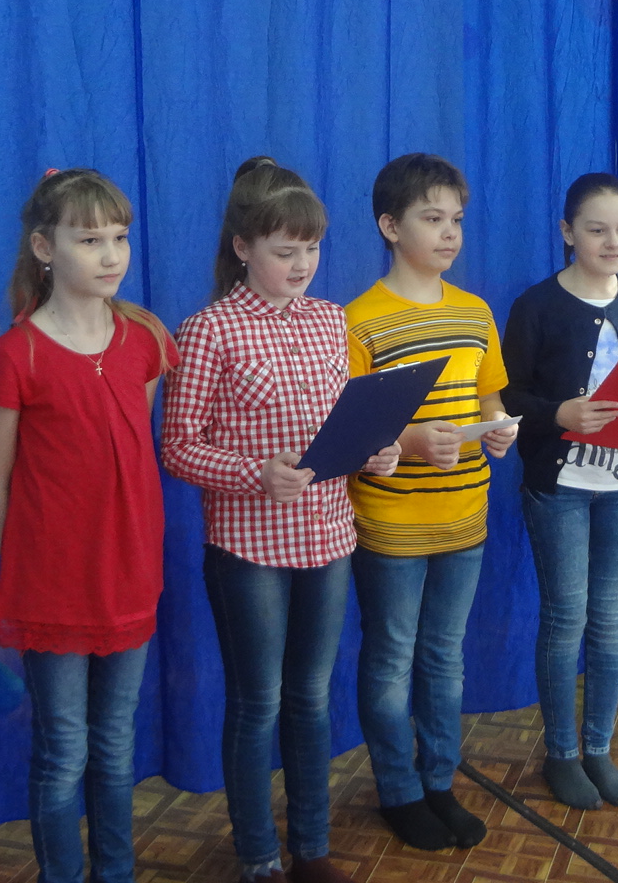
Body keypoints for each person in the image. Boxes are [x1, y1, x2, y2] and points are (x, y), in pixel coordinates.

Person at [161, 158, 402, 883]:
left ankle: (311, 848)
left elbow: (344, 423)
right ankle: (259, 856)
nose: (302, 265)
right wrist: (253, 473)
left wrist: (377, 450)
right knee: (257, 702)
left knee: (310, 697)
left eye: (312, 248)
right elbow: (177, 448)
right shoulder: (208, 330)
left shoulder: (331, 321)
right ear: (242, 247)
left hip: (328, 537)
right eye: (284, 250)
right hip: (249, 548)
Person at [0, 168, 178, 883]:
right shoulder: (16, 354)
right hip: (52, 587)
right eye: (89, 239)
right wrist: (31, 571)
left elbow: (129, 455)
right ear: (45, 247)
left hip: (128, 575)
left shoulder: (144, 339)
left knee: (115, 744)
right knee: (64, 749)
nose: (111, 254)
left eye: (119, 237)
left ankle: (114, 873)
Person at [499, 172, 618, 811]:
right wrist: (560, 413)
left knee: (611, 619)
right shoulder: (537, 306)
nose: (613, 241)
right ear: (567, 232)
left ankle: (599, 748)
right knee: (566, 618)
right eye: (597, 229)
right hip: (558, 488)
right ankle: (561, 754)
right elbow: (508, 397)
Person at [345, 152, 518, 851]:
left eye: (457, 220)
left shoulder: (475, 313)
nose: (449, 234)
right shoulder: (359, 321)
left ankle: (440, 779)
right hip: (391, 521)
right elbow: (355, 435)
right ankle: (399, 790)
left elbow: (489, 398)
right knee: (392, 658)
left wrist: (499, 428)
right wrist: (411, 442)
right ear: (390, 226)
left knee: (445, 656)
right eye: (432, 219)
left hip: (464, 514)